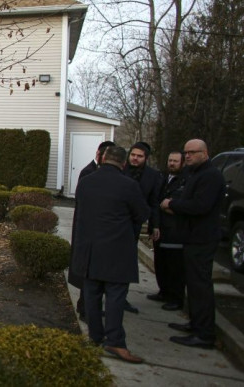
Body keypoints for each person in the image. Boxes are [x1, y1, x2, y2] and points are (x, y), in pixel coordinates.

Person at [71, 145, 150, 363]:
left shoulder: (86, 181)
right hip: (117, 251)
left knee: (92, 295)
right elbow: (142, 213)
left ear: (103, 158)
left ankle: (95, 337)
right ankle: (114, 342)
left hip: (89, 250)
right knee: (115, 297)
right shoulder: (129, 185)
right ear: (123, 163)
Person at [161, 139, 225, 349]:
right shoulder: (194, 174)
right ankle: (196, 324)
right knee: (193, 284)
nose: (187, 156)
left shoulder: (211, 176)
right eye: (186, 152)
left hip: (202, 238)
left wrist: (173, 204)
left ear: (205, 153)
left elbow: (200, 206)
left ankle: (204, 334)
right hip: (191, 237)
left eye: (192, 153)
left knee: (200, 285)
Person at [69, 140, 116, 319]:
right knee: (87, 273)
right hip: (87, 230)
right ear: (100, 155)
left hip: (98, 231)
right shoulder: (88, 173)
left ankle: (89, 306)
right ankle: (85, 309)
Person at [122, 141, 162, 314]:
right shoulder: (121, 170)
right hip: (115, 222)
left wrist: (155, 225)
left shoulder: (153, 176)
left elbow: (154, 202)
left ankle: (121, 297)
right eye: (133, 155)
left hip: (134, 225)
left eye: (139, 156)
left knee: (126, 262)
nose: (135, 158)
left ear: (146, 158)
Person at [149, 151, 187, 310]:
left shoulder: (185, 181)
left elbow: (182, 205)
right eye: (170, 160)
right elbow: (156, 202)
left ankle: (176, 298)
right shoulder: (162, 178)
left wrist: (168, 206)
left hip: (176, 231)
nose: (172, 163)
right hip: (160, 228)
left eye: (175, 161)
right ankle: (163, 291)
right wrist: (155, 225)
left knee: (175, 266)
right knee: (161, 262)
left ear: (182, 163)